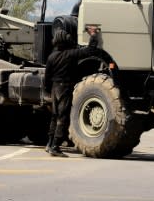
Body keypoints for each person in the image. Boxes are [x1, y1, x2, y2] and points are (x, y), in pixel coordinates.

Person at [44, 25, 110, 157]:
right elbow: (90, 50)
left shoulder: (51, 57)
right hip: (65, 88)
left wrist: (46, 90)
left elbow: (47, 77)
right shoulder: (70, 54)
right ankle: (55, 147)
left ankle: (49, 143)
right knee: (63, 117)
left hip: (54, 87)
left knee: (55, 116)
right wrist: (93, 35)